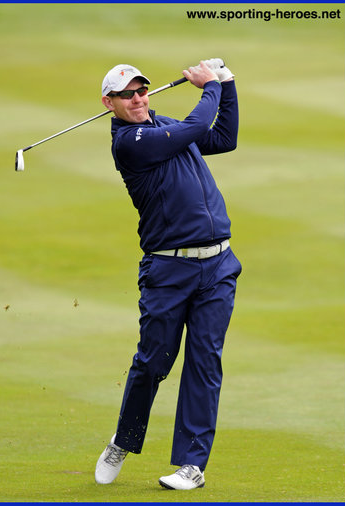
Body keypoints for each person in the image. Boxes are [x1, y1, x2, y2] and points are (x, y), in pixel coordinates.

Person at [95, 58, 242, 490]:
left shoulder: (164, 127)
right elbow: (196, 129)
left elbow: (223, 138)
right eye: (126, 95)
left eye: (141, 90)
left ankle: (191, 465)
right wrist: (209, 86)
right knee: (153, 362)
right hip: (168, 268)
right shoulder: (130, 142)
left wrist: (227, 85)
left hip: (218, 265)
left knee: (204, 362)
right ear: (109, 103)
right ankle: (124, 439)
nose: (138, 99)